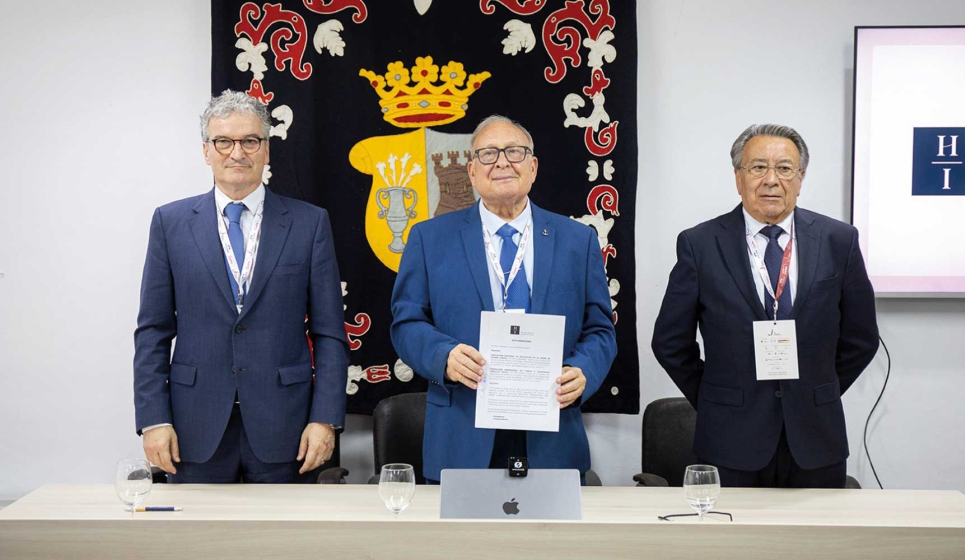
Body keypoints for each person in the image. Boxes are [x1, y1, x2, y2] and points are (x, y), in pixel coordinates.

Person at [133, 90, 349, 483]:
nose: (237, 153)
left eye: (250, 141)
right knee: (199, 543)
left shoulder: (309, 224)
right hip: (192, 427)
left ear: (266, 150)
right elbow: (153, 331)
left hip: (287, 427)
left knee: (282, 543)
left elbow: (330, 332)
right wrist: (152, 420)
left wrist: (325, 418)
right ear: (206, 150)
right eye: (224, 142)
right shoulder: (170, 223)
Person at [390, 115, 617, 483]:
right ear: (472, 171)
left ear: (533, 167)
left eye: (514, 151)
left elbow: (600, 330)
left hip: (551, 433)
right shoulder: (429, 239)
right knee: (466, 541)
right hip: (463, 432)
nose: (502, 162)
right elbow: (406, 324)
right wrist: (443, 356)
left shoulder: (578, 240)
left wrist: (584, 372)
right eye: (488, 153)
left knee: (547, 542)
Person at [652, 124, 879, 488]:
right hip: (729, 442)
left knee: (817, 543)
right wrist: (717, 398)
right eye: (758, 167)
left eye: (785, 168)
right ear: (738, 177)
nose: (771, 180)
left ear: (801, 177)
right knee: (731, 545)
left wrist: (816, 391)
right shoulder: (700, 243)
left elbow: (862, 338)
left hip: (816, 439)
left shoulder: (839, 240)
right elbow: (669, 342)